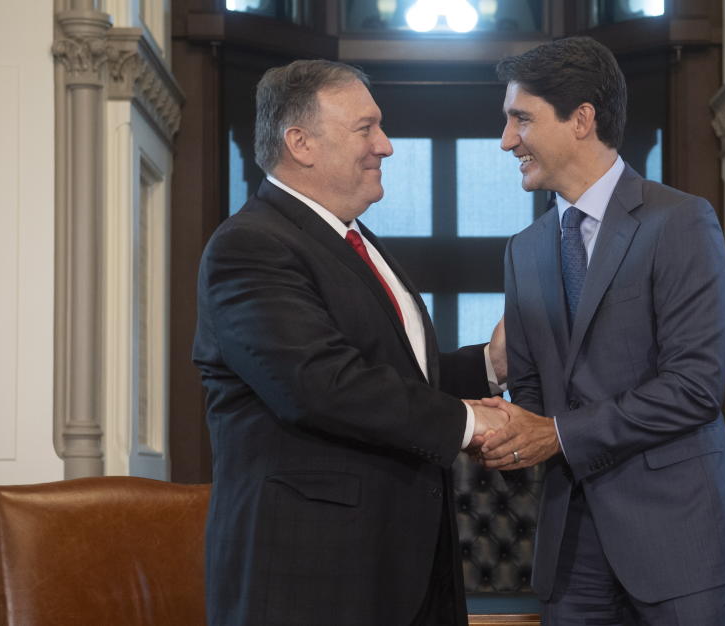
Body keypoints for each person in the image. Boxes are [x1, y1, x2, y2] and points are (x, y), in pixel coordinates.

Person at [192, 59, 508, 626]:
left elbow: (394, 373)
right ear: (301, 143)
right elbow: (319, 384)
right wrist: (471, 421)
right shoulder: (250, 245)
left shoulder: (356, 241)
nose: (385, 146)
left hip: (405, 564)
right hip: (310, 578)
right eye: (366, 128)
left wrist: (487, 366)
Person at [477, 37, 725, 625]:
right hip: (570, 547)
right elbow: (532, 398)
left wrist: (557, 433)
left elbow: (694, 388)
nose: (506, 140)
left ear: (581, 119)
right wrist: (498, 427)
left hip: (682, 542)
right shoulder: (523, 252)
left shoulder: (680, 220)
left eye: (521, 119)